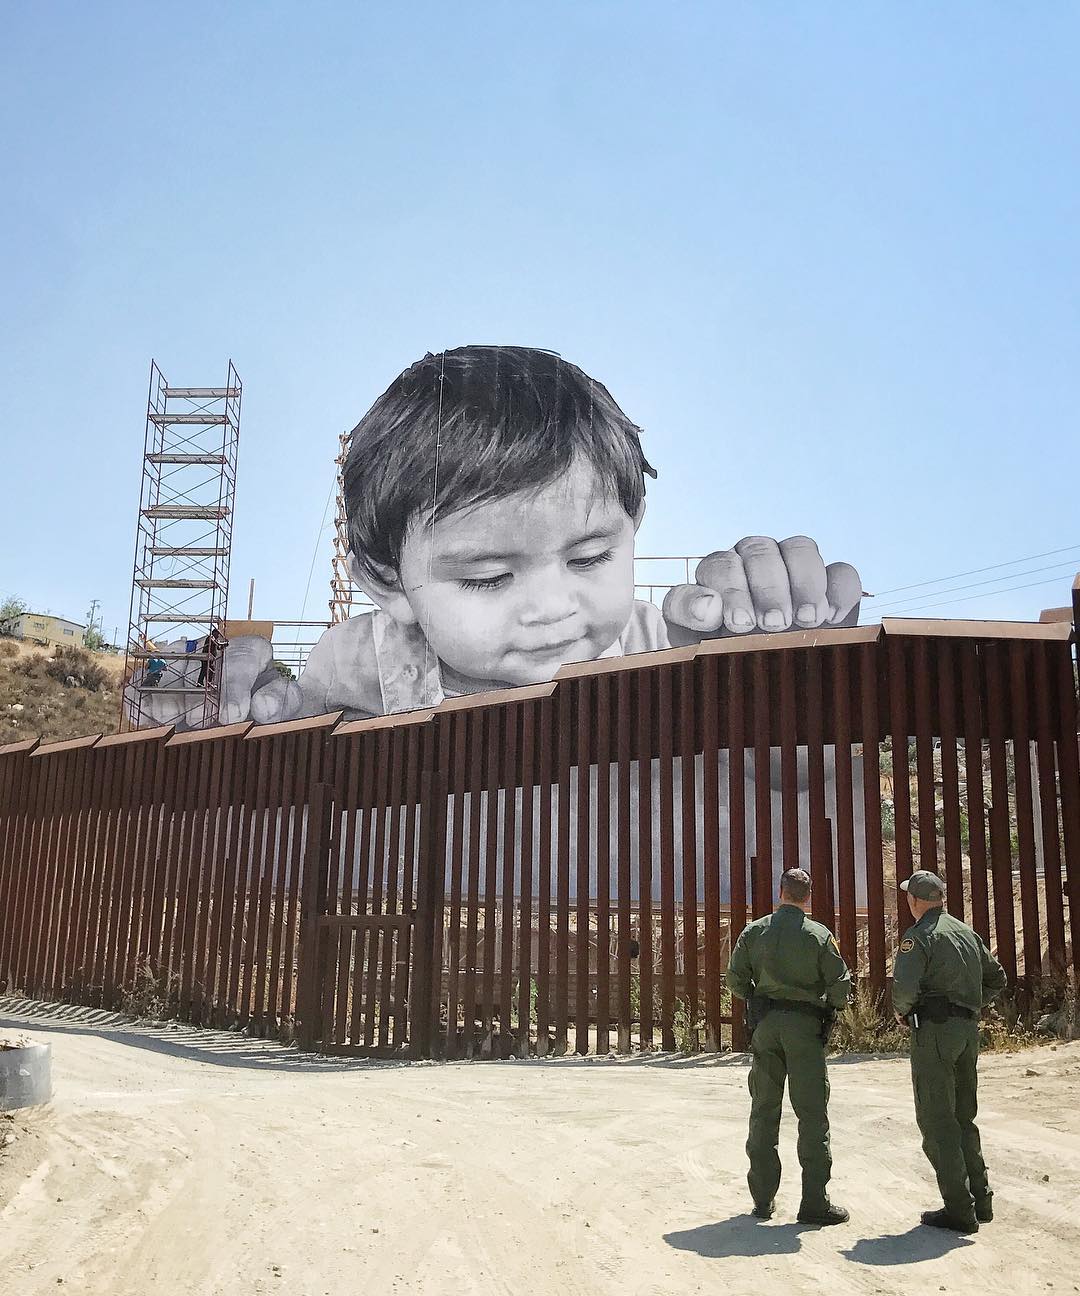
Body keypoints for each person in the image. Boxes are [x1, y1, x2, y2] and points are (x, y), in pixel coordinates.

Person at [147, 345, 858, 728]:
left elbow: (789, 776)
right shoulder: (357, 663)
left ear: (633, 525)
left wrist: (783, 679)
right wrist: (252, 719)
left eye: (590, 556)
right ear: (387, 580)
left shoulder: (670, 654)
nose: (551, 606)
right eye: (487, 576)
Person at [727, 867, 852, 1225]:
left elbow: (735, 978)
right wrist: (829, 1010)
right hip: (805, 1030)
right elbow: (840, 985)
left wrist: (756, 999)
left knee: (764, 1111)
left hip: (766, 1027)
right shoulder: (818, 935)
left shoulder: (755, 932)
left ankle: (763, 1201)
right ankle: (814, 1203)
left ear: (781, 891)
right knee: (812, 1114)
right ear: (807, 896)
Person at [891, 869, 1007, 1235]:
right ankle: (981, 1200)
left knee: (937, 1118)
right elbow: (997, 978)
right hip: (966, 1030)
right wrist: (970, 1006)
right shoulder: (965, 932)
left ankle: (959, 1208)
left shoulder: (919, 936)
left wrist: (903, 1010)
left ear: (914, 901)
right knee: (963, 1115)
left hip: (935, 1033)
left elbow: (905, 988)